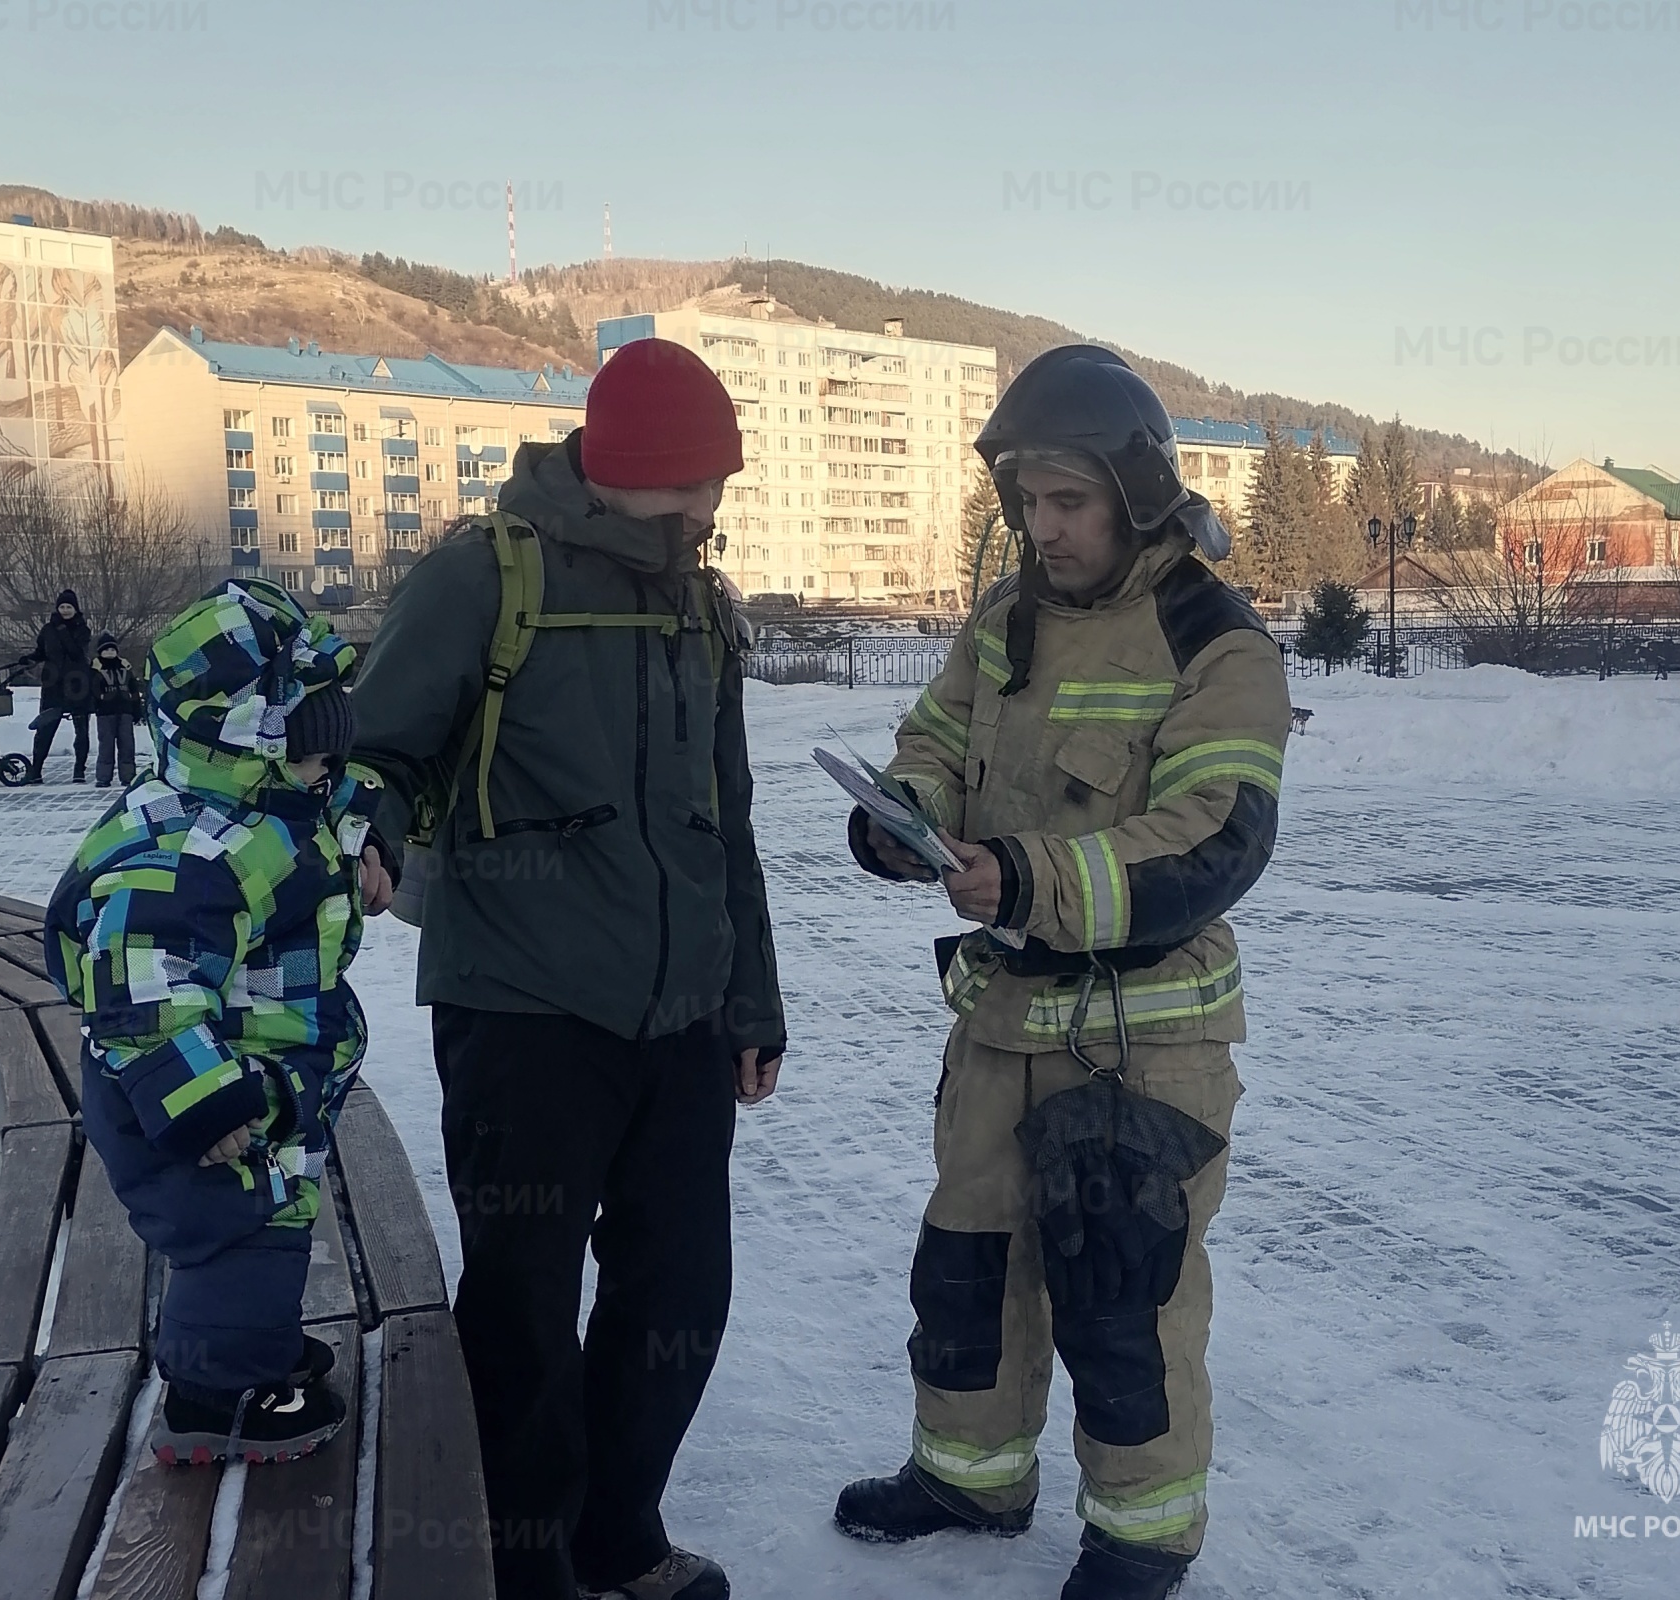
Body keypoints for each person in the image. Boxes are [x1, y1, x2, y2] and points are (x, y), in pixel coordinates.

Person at [832, 347, 1291, 1600]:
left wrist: (1027, 880)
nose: (1044, 527)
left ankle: (1142, 1537)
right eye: (1028, 502)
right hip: (999, 1026)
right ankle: (968, 1479)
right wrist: (901, 814)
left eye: (1068, 501)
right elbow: (931, 739)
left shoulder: (1218, 639)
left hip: (1142, 1043)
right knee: (970, 1264)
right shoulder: (1006, 620)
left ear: (1136, 491)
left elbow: (1214, 837)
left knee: (1121, 1296)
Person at [348, 336, 786, 1600]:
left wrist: (749, 998)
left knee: (680, 1293)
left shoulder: (701, 606)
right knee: (524, 1309)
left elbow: (729, 819)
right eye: (693, 483)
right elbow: (382, 746)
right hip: (523, 1009)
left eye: (718, 485)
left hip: (682, 1017)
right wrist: (366, 833)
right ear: (626, 466)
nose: (709, 509)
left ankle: (617, 1529)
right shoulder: (486, 578)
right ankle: (525, 1564)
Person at [43, 577, 376, 1464]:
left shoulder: (259, 806)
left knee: (267, 1223)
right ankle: (215, 1398)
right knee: (237, 1234)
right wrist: (206, 1101)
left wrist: (369, 828)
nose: (325, 778)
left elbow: (323, 821)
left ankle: (247, 1345)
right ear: (250, 744)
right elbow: (140, 983)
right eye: (311, 760)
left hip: (253, 1074)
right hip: (201, 1093)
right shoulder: (192, 849)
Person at [27, 587, 95, 784]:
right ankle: (36, 769)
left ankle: (79, 769)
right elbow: (41, 652)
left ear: (75, 609)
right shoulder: (48, 630)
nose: (65, 610)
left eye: (69, 607)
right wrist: (28, 659)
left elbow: (75, 652)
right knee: (45, 727)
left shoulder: (82, 629)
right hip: (53, 683)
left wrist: (63, 629)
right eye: (62, 607)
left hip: (76, 683)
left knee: (80, 729)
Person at [90, 632, 144, 788]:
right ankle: (103, 777)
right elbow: (91, 688)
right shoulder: (95, 668)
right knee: (106, 746)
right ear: (100, 652)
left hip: (125, 711)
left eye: (112, 650)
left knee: (127, 745)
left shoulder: (125, 667)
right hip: (105, 713)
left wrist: (136, 709)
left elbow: (133, 688)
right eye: (106, 650)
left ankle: (128, 776)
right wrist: (99, 701)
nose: (110, 653)